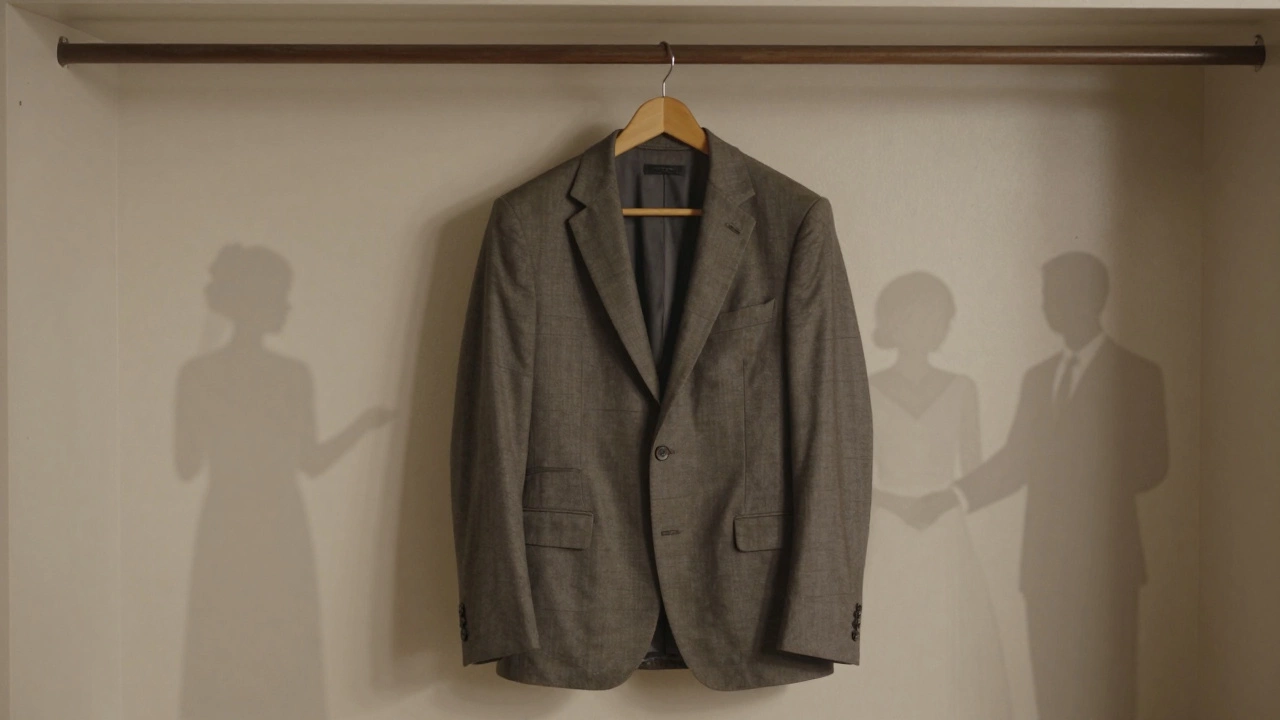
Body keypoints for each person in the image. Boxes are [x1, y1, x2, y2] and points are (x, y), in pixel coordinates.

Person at [914, 251, 1169, 719]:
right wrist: (953, 496)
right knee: (1051, 692)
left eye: (1058, 295)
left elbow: (1154, 465)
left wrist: (1085, 469)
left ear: (1092, 299)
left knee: (1110, 693)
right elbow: (1016, 461)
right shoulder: (1037, 379)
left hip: (1108, 565)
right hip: (1044, 564)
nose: (1049, 306)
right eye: (1046, 296)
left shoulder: (1138, 374)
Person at [856, 271, 1013, 719]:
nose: (925, 327)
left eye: (935, 318)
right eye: (914, 316)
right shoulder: (866, 388)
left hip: (943, 533)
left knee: (946, 640)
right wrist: (890, 502)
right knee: (894, 637)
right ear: (893, 323)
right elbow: (855, 476)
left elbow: (975, 470)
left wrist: (942, 501)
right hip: (888, 531)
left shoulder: (963, 388)